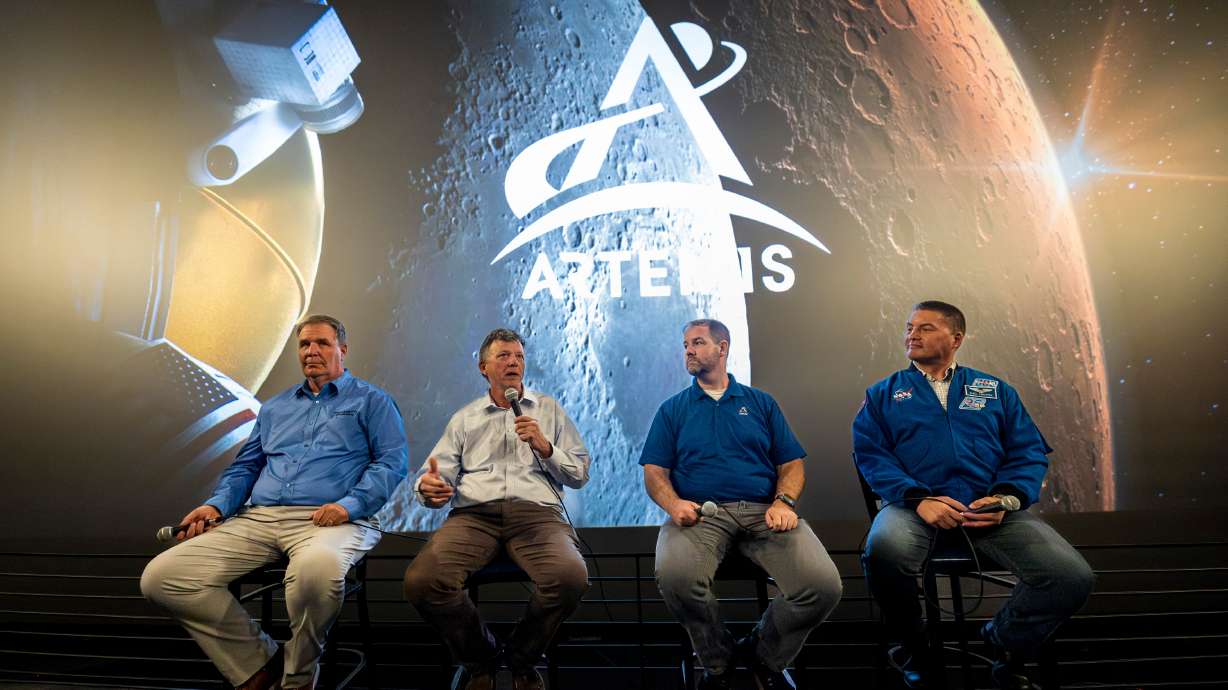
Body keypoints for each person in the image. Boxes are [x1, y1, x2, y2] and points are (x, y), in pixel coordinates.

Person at [140, 315, 408, 690]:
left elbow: (392, 463)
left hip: (333, 520)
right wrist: (216, 506)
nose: (311, 351)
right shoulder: (276, 408)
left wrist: (349, 505)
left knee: (315, 573)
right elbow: (246, 466)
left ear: (342, 351)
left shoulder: (372, 401)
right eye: (304, 344)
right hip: (260, 520)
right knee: (163, 577)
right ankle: (259, 664)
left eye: (322, 343)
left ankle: (298, 678)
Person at [852, 300, 1094, 690]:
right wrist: (918, 500)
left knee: (1071, 576)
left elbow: (1027, 451)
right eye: (909, 327)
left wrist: (1006, 499)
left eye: (926, 328)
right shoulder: (882, 394)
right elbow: (871, 456)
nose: (912, 334)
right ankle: (917, 649)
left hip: (989, 512)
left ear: (956, 338)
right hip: (914, 510)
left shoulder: (995, 390)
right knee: (883, 551)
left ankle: (1005, 641)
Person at [640, 318, 843, 690]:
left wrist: (784, 502)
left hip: (764, 513)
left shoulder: (760, 403)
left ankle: (763, 655)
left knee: (823, 586)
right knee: (677, 578)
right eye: (685, 344)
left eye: (697, 342)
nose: (688, 350)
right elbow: (654, 472)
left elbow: (792, 464)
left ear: (722, 348)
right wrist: (673, 505)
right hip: (699, 515)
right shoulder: (673, 409)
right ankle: (719, 664)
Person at [403, 328, 590, 690]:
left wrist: (546, 447)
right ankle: (482, 659)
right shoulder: (465, 418)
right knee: (422, 581)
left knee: (570, 577)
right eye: (504, 356)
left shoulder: (549, 409)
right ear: (483, 367)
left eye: (519, 356)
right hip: (474, 516)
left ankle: (521, 660)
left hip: (537, 515)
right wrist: (428, 489)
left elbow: (580, 473)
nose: (514, 362)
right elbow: (435, 476)